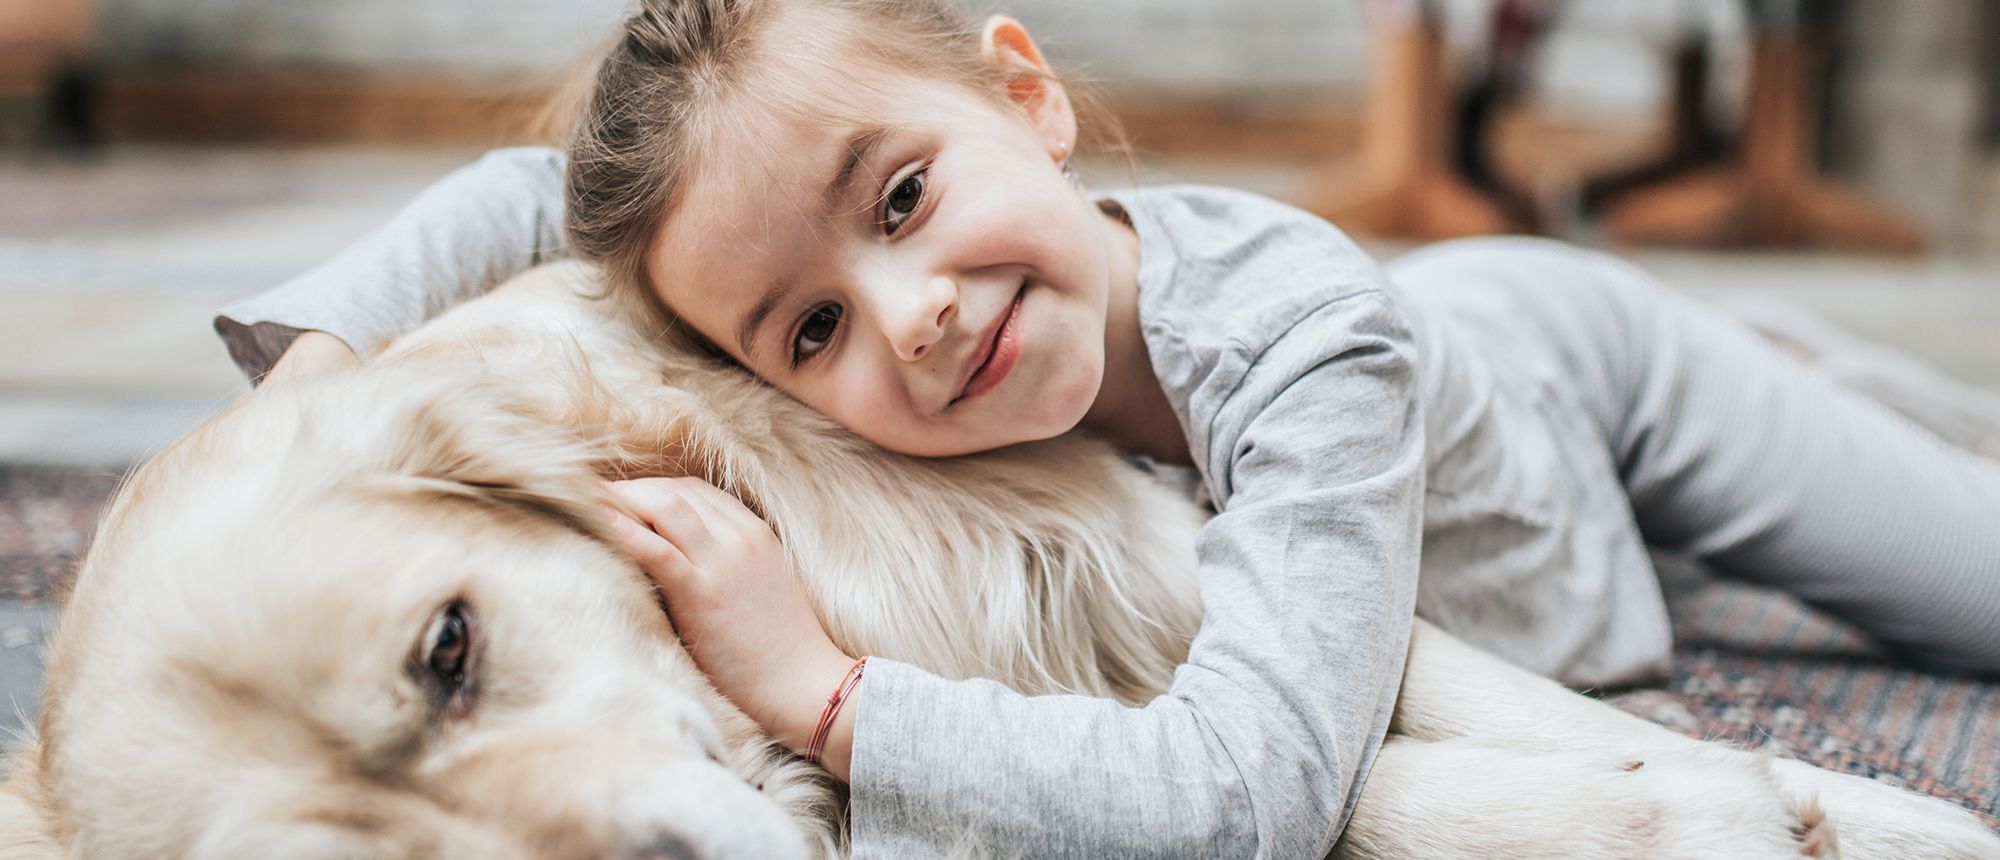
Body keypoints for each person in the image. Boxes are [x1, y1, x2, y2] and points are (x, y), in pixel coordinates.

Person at [214, 0, 2000, 853]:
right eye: (808, 325)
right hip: (1446, 420)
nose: (905, 316)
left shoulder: (1304, 342)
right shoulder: (904, 356)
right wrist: (312, 402)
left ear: (1029, 92)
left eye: (903, 193)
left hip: (1576, 377)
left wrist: (836, 700)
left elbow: (1259, 797)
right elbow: (537, 189)